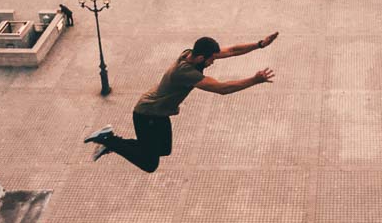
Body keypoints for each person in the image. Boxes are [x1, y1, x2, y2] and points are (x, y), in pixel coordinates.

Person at [85, 32, 279, 171]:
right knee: (150, 164)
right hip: (147, 114)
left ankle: (110, 141)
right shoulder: (185, 72)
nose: (213, 63)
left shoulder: (190, 53)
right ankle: (108, 140)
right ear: (202, 57)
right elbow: (222, 89)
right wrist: (254, 80)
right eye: (211, 60)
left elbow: (232, 50)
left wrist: (260, 44)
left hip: (158, 113)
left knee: (163, 149)